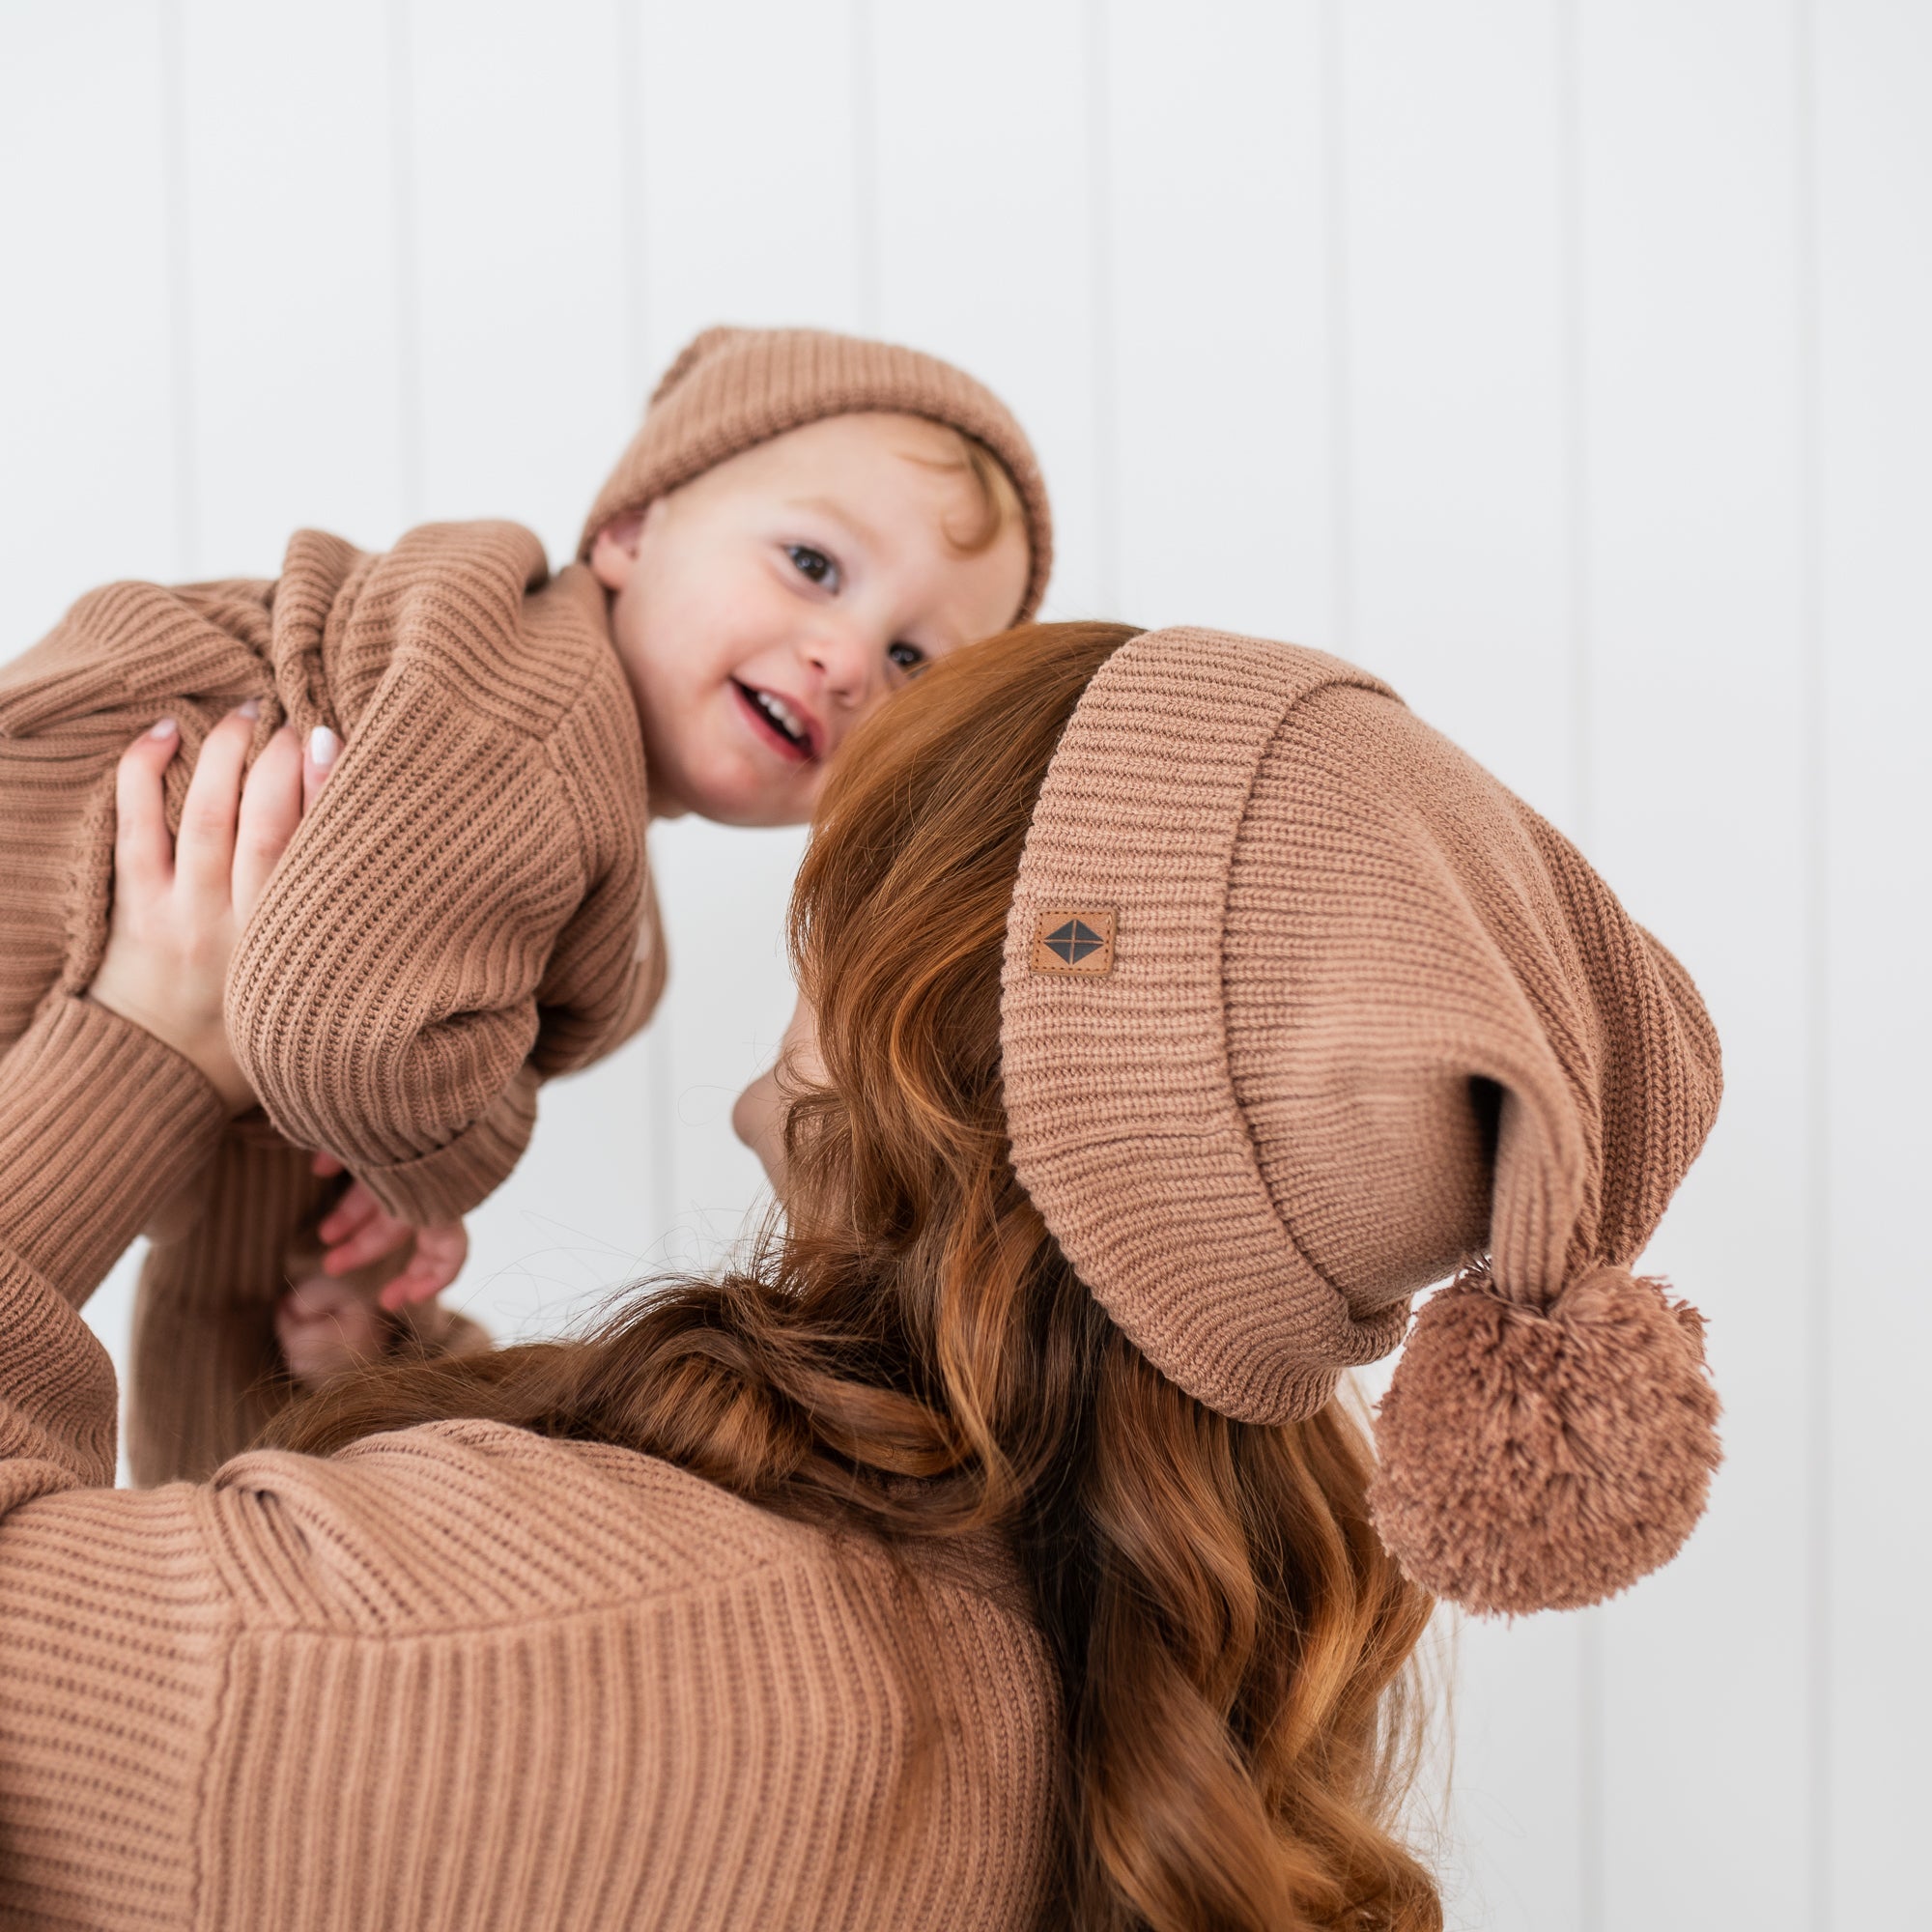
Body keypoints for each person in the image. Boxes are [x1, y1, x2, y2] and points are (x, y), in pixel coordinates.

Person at [0, 619, 1721, 1928]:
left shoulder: (543, 1632)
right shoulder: (1152, 1700)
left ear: (929, 1017)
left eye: (878, 858)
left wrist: (129, 1059)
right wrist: (309, 1313)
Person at [0, 325, 1047, 1481]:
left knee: (276, 1247)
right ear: (630, 530)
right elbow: (339, 1033)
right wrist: (436, 1173)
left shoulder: (570, 865)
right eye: (811, 564)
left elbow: (311, 1109)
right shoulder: (537, 710)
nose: (846, 660)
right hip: (56, 848)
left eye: (911, 661)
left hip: (150, 987)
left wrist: (369, 1204)